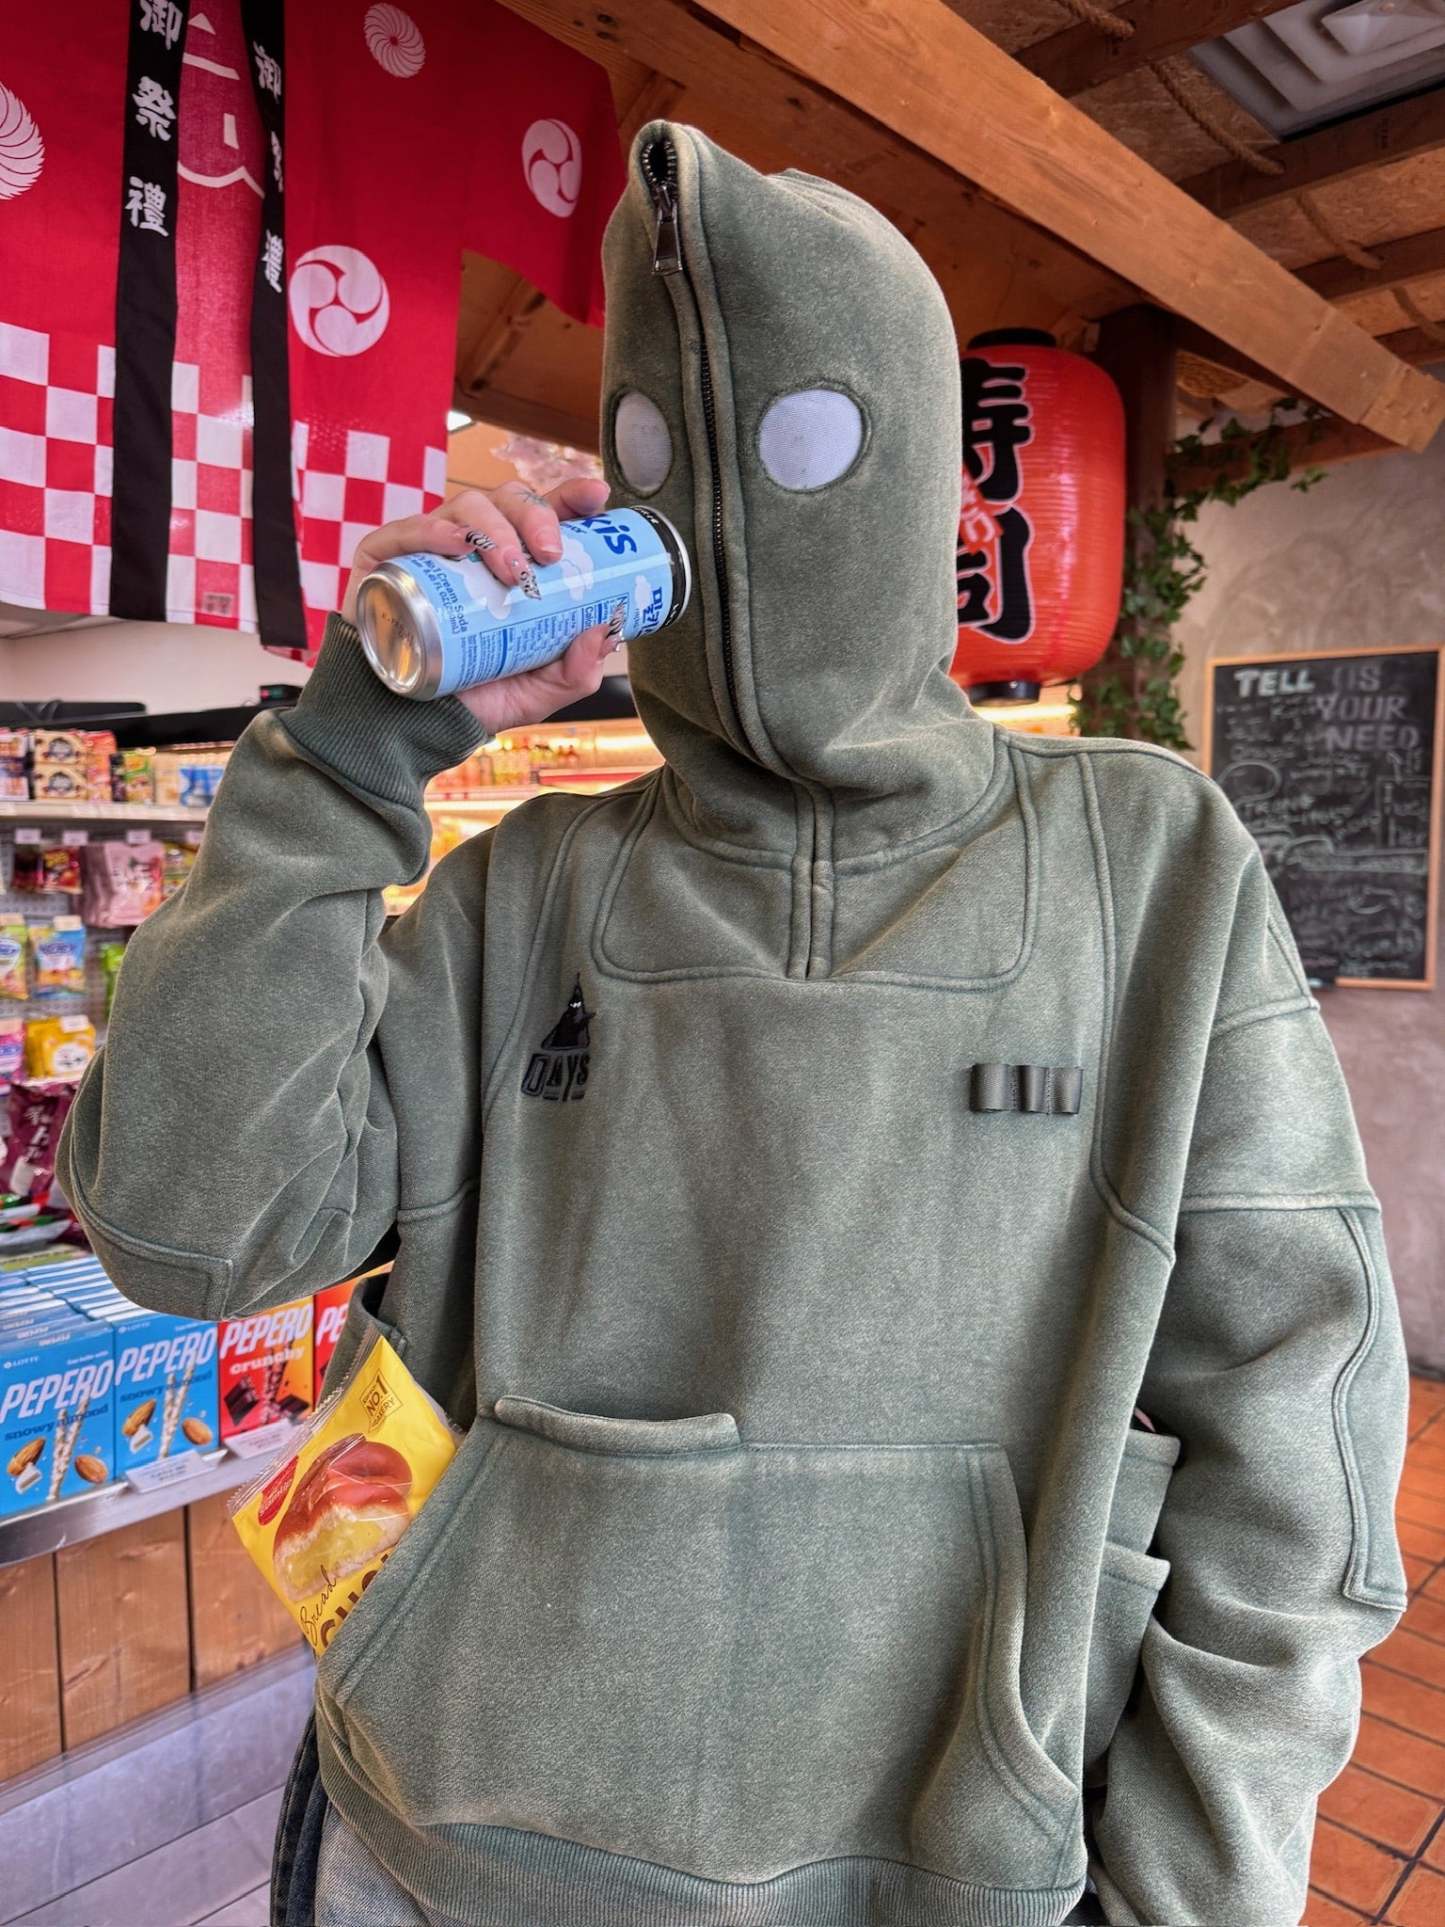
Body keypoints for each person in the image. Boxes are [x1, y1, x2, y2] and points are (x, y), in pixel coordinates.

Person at [57, 119, 1410, 1927]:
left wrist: (1188, 1895)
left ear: (925, 492)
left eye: (806, 446)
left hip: (958, 1866)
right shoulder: (521, 890)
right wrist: (344, 756)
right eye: (653, 456)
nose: (725, 519)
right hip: (448, 1851)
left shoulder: (1142, 865)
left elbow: (1294, 1444)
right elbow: (187, 1234)